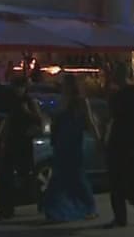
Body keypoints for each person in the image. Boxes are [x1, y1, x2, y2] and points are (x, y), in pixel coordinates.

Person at [40, 74, 100, 223]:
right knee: (58, 178)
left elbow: (90, 121)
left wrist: (98, 139)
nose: (63, 87)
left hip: (73, 144)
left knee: (76, 177)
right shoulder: (62, 101)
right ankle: (55, 211)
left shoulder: (80, 101)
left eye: (66, 84)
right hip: (61, 143)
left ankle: (89, 207)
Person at [104, 63, 134, 228]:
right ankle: (123, 214)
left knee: (125, 178)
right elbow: (111, 118)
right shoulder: (119, 94)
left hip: (126, 140)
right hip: (120, 140)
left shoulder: (131, 93)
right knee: (119, 179)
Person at [0, 78, 42, 220]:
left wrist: (27, 112)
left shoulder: (29, 101)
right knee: (7, 175)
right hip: (12, 140)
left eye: (20, 87)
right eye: (15, 87)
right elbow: (7, 120)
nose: (17, 90)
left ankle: (40, 201)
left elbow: (39, 120)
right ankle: (6, 209)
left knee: (27, 174)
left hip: (24, 141)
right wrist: (3, 139)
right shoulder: (11, 101)